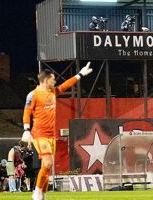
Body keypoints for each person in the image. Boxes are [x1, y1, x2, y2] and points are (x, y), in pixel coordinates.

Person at [22, 62, 92, 200]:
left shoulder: (53, 92)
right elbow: (26, 112)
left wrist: (80, 74)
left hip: (51, 136)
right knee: (47, 163)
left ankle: (43, 193)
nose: (55, 81)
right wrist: (26, 129)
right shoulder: (33, 95)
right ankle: (37, 192)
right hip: (39, 134)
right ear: (46, 79)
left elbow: (65, 85)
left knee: (47, 167)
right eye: (53, 79)